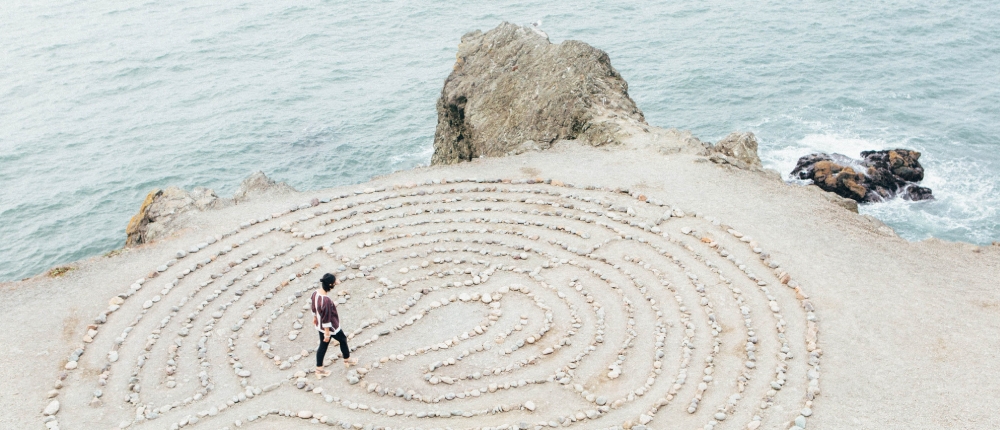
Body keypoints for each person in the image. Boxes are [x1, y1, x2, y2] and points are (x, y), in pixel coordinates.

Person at [311, 273, 356, 378]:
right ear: (330, 285)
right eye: (334, 283)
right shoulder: (326, 300)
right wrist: (327, 333)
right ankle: (347, 360)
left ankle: (319, 369)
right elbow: (326, 317)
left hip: (320, 325)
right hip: (330, 327)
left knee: (323, 346)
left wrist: (314, 318)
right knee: (343, 339)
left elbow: (313, 307)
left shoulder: (315, 293)